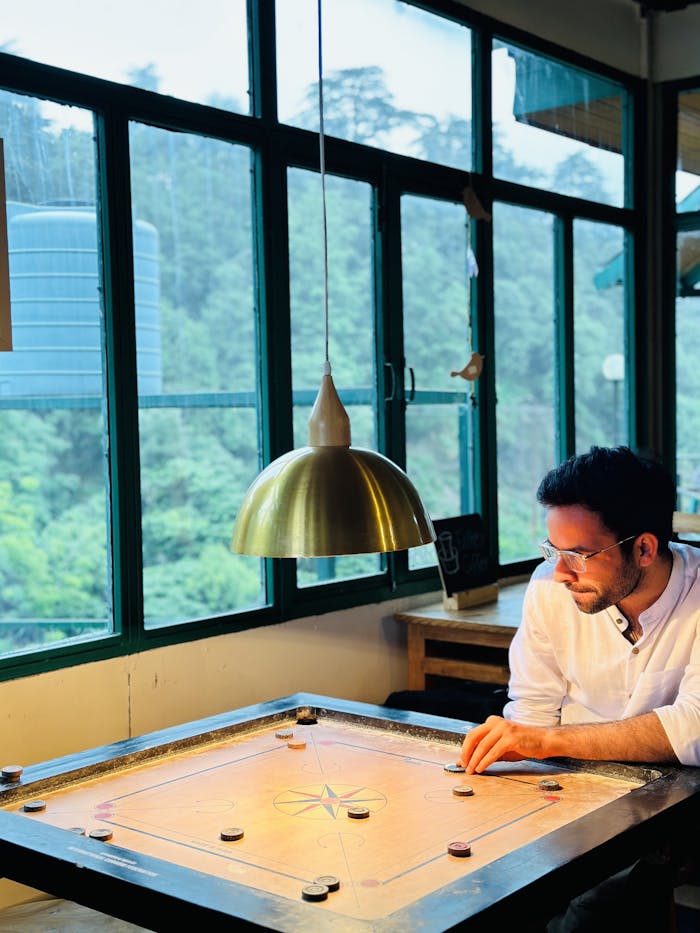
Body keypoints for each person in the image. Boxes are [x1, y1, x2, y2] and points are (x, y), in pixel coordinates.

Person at [457, 445, 700, 932]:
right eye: (553, 550)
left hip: (678, 798)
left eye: (579, 555)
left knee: (591, 910)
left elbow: (692, 730)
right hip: (572, 783)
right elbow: (533, 706)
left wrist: (543, 742)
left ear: (645, 549)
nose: (560, 571)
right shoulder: (549, 587)